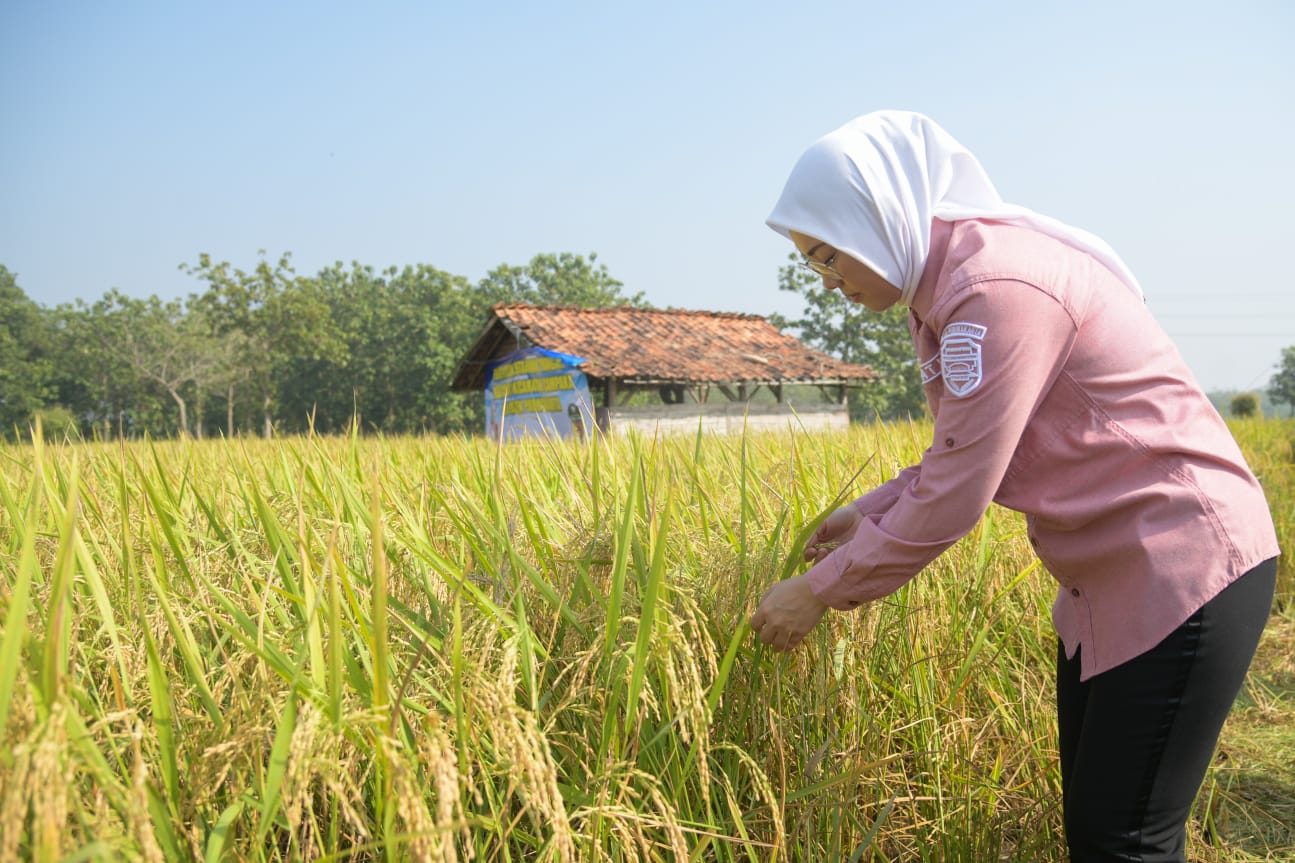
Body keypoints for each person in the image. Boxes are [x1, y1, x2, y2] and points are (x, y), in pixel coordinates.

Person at [749, 110, 1279, 862]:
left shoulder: (991, 290)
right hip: (1111, 581)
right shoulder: (939, 294)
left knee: (1123, 839)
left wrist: (819, 590)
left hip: (1183, 564)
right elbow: (958, 450)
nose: (830, 281)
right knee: (1101, 830)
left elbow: (958, 492)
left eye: (830, 256)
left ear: (877, 220)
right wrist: (860, 513)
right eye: (814, 264)